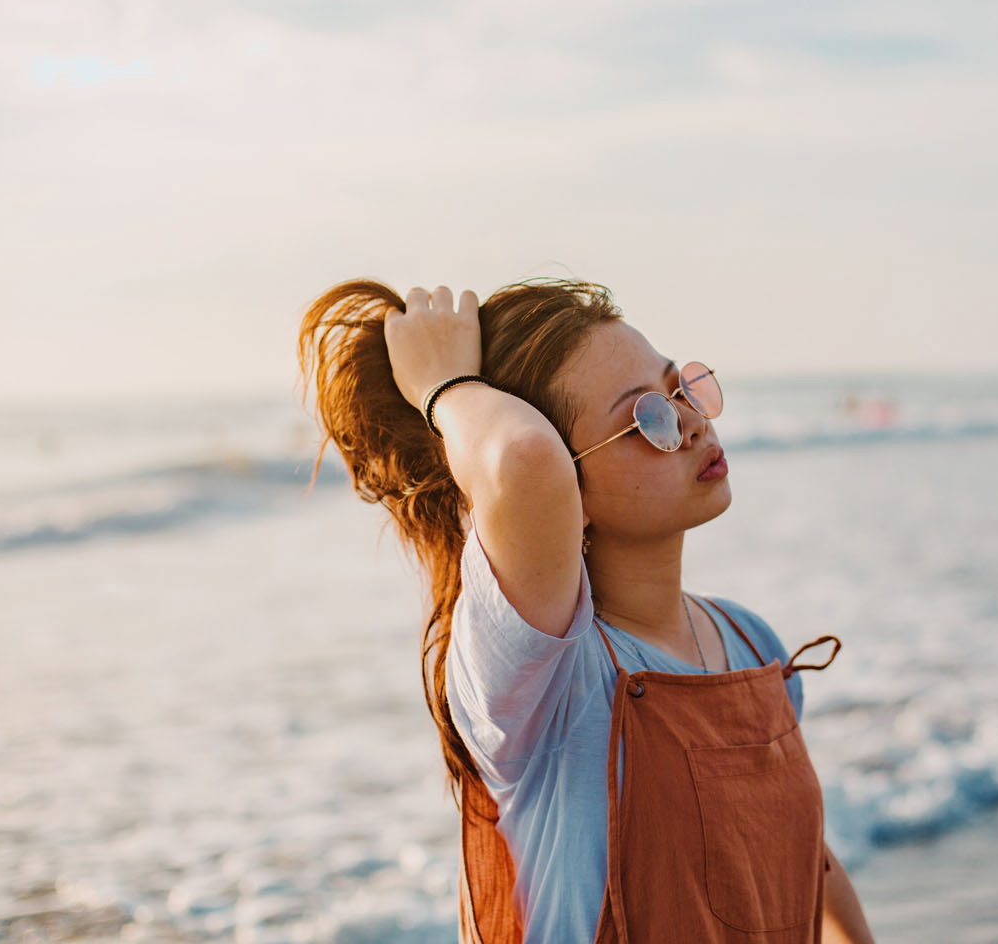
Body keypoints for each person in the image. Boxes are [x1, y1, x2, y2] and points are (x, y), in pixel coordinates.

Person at [296, 277, 875, 943]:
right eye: (643, 420)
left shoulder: (751, 642)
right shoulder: (538, 675)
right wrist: (443, 387)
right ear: (568, 488)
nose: (690, 422)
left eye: (678, 388)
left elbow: (804, 859)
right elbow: (522, 457)